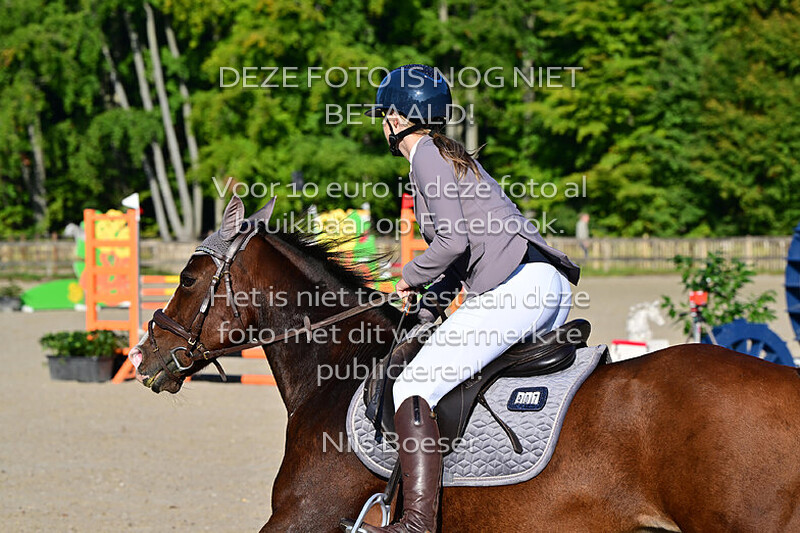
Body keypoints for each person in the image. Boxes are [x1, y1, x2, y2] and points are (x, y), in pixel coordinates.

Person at [343, 64, 580, 533]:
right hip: (544, 286)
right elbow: (458, 259)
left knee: (412, 387)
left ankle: (415, 523)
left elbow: (450, 244)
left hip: (519, 291)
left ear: (394, 118)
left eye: (383, 115)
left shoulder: (426, 156)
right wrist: (427, 306)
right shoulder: (445, 155)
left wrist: (406, 277)